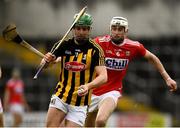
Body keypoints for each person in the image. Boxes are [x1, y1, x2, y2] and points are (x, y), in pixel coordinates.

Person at [85, 16, 177, 127]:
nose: (116, 32)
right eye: (114, 28)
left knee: (100, 121)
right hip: (91, 89)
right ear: (110, 29)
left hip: (111, 91)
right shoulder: (99, 42)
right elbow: (79, 53)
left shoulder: (134, 46)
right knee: (88, 124)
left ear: (126, 31)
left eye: (120, 29)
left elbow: (152, 58)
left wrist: (167, 78)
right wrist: (60, 58)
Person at [41, 13, 107, 127]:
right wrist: (46, 61)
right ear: (73, 28)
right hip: (61, 97)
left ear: (90, 29)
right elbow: (45, 65)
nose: (81, 32)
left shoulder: (96, 50)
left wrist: (88, 86)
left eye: (85, 29)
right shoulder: (63, 44)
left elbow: (103, 76)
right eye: (78, 28)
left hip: (80, 103)